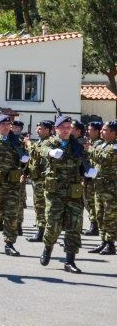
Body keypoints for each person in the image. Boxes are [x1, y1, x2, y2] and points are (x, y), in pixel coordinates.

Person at [40, 115, 97, 273]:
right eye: (63, 127)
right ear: (56, 129)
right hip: (55, 192)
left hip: (74, 192)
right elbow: (40, 149)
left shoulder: (77, 145)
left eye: (68, 127)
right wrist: (51, 152)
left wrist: (89, 171)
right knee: (53, 225)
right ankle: (47, 248)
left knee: (75, 226)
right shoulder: (50, 142)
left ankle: (69, 261)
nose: (66, 130)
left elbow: (85, 162)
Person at [0, 114, 29, 255]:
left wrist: (25, 161)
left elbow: (24, 160)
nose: (6, 127)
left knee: (11, 214)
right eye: (3, 125)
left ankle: (9, 244)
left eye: (8, 125)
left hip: (13, 184)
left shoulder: (17, 142)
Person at [89, 121, 117, 255]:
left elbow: (104, 159)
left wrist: (90, 149)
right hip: (99, 186)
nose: (101, 132)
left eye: (105, 130)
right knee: (99, 215)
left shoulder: (114, 146)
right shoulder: (103, 144)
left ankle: (110, 244)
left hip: (110, 188)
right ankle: (103, 242)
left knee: (109, 216)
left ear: (113, 133)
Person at [27, 120, 53, 243]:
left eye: (40, 129)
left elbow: (39, 152)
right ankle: (41, 230)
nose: (37, 131)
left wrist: (29, 144)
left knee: (42, 206)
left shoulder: (49, 142)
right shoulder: (40, 142)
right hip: (36, 179)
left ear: (48, 130)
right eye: (37, 128)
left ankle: (42, 231)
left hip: (43, 180)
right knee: (38, 206)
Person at [84, 121, 104, 237]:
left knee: (93, 203)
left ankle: (95, 225)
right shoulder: (91, 142)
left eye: (90, 130)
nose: (88, 132)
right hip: (89, 177)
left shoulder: (99, 144)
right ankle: (94, 224)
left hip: (95, 177)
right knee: (90, 202)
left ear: (97, 131)